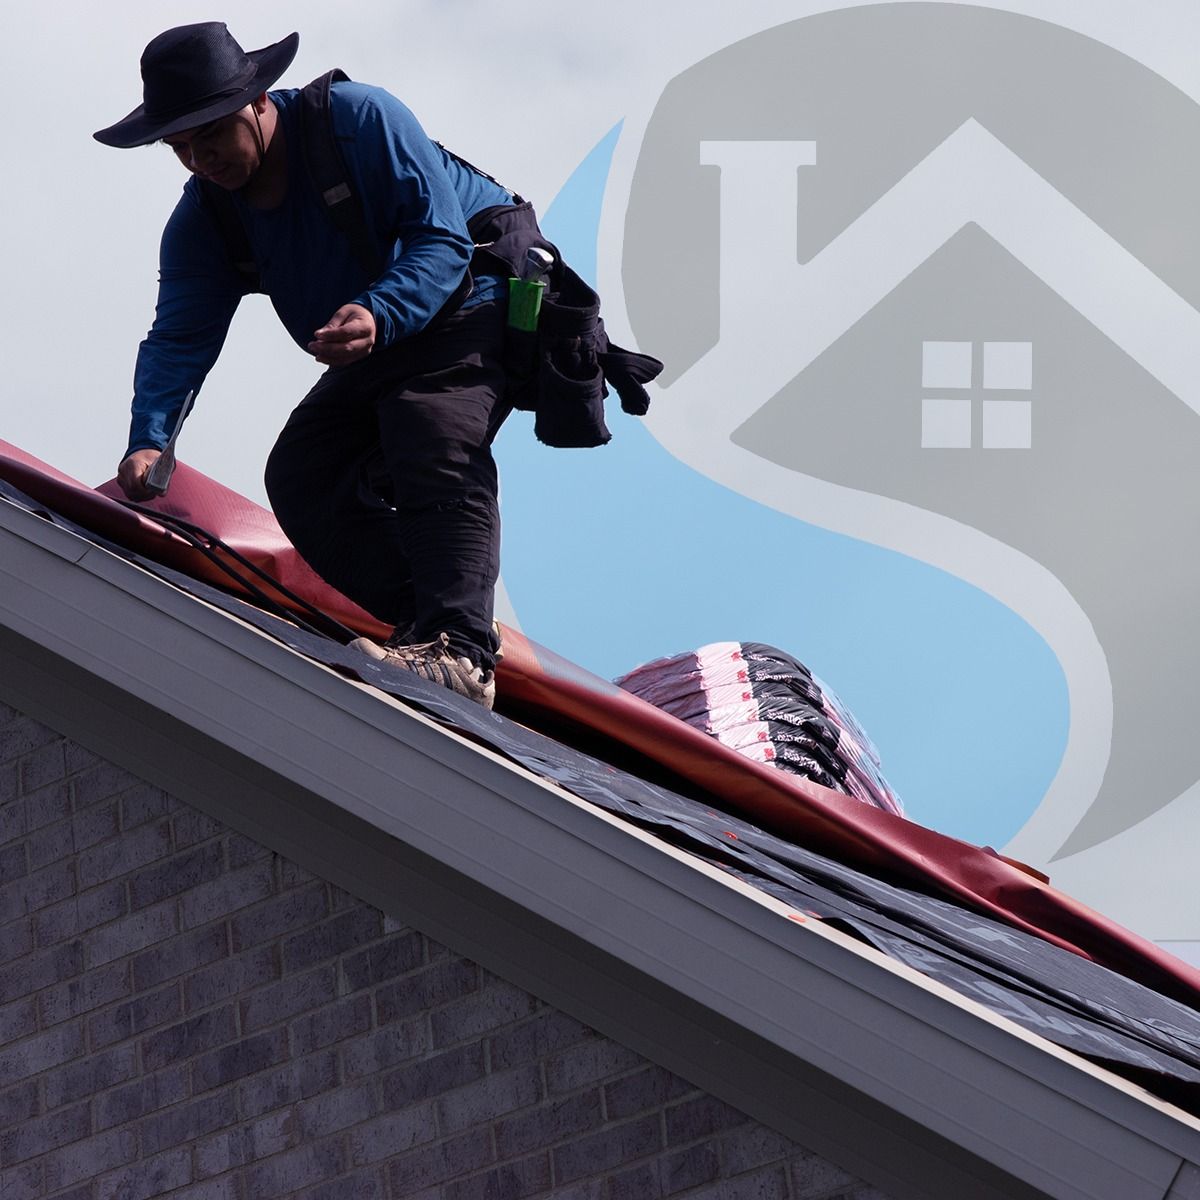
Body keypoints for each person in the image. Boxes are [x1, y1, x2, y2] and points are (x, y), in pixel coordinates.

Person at [94, 22, 528, 710]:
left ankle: (461, 652)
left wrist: (380, 312)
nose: (200, 158)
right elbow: (179, 336)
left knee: (429, 426)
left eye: (212, 135)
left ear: (259, 101)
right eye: (180, 147)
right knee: (305, 475)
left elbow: (440, 240)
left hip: (473, 292)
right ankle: (435, 619)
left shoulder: (358, 120)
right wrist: (150, 437)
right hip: (379, 334)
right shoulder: (207, 217)